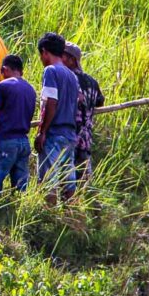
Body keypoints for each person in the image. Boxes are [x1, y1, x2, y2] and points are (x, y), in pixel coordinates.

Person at [0, 54, 37, 198]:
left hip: (6, 141)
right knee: (20, 187)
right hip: (24, 142)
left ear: (5, 69)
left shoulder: (3, 86)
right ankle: (17, 216)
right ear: (21, 71)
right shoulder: (30, 89)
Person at [34, 33, 80, 199]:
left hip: (54, 133)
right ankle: (69, 218)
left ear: (45, 52)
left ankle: (48, 217)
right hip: (70, 134)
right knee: (68, 182)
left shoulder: (50, 71)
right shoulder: (73, 76)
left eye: (41, 55)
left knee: (48, 181)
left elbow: (51, 103)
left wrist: (42, 131)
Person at [63, 42, 104, 184]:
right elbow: (100, 101)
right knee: (83, 183)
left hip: (68, 135)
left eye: (62, 56)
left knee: (65, 180)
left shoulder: (67, 79)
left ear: (72, 60)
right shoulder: (92, 82)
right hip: (85, 138)